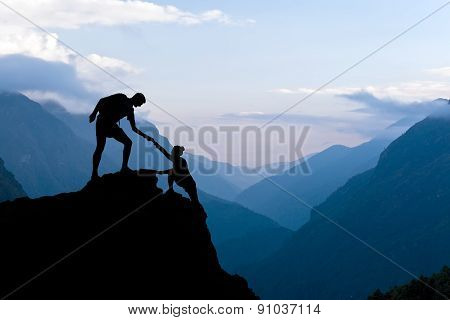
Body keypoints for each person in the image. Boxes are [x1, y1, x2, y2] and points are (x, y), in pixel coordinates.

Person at [89, 92, 149, 180]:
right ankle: (94, 174)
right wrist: (94, 113)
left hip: (111, 126)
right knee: (100, 148)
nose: (139, 106)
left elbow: (134, 128)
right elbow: (102, 101)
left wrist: (145, 136)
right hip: (102, 122)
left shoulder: (130, 111)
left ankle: (124, 168)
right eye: (140, 103)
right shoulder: (121, 97)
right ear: (136, 98)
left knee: (128, 143)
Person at [148, 137, 199, 204]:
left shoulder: (180, 160)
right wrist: (155, 143)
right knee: (194, 201)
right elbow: (165, 152)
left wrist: (159, 172)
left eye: (172, 151)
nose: (171, 152)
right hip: (187, 182)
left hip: (188, 183)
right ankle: (171, 190)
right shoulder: (177, 159)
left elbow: (173, 171)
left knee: (195, 201)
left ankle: (171, 190)